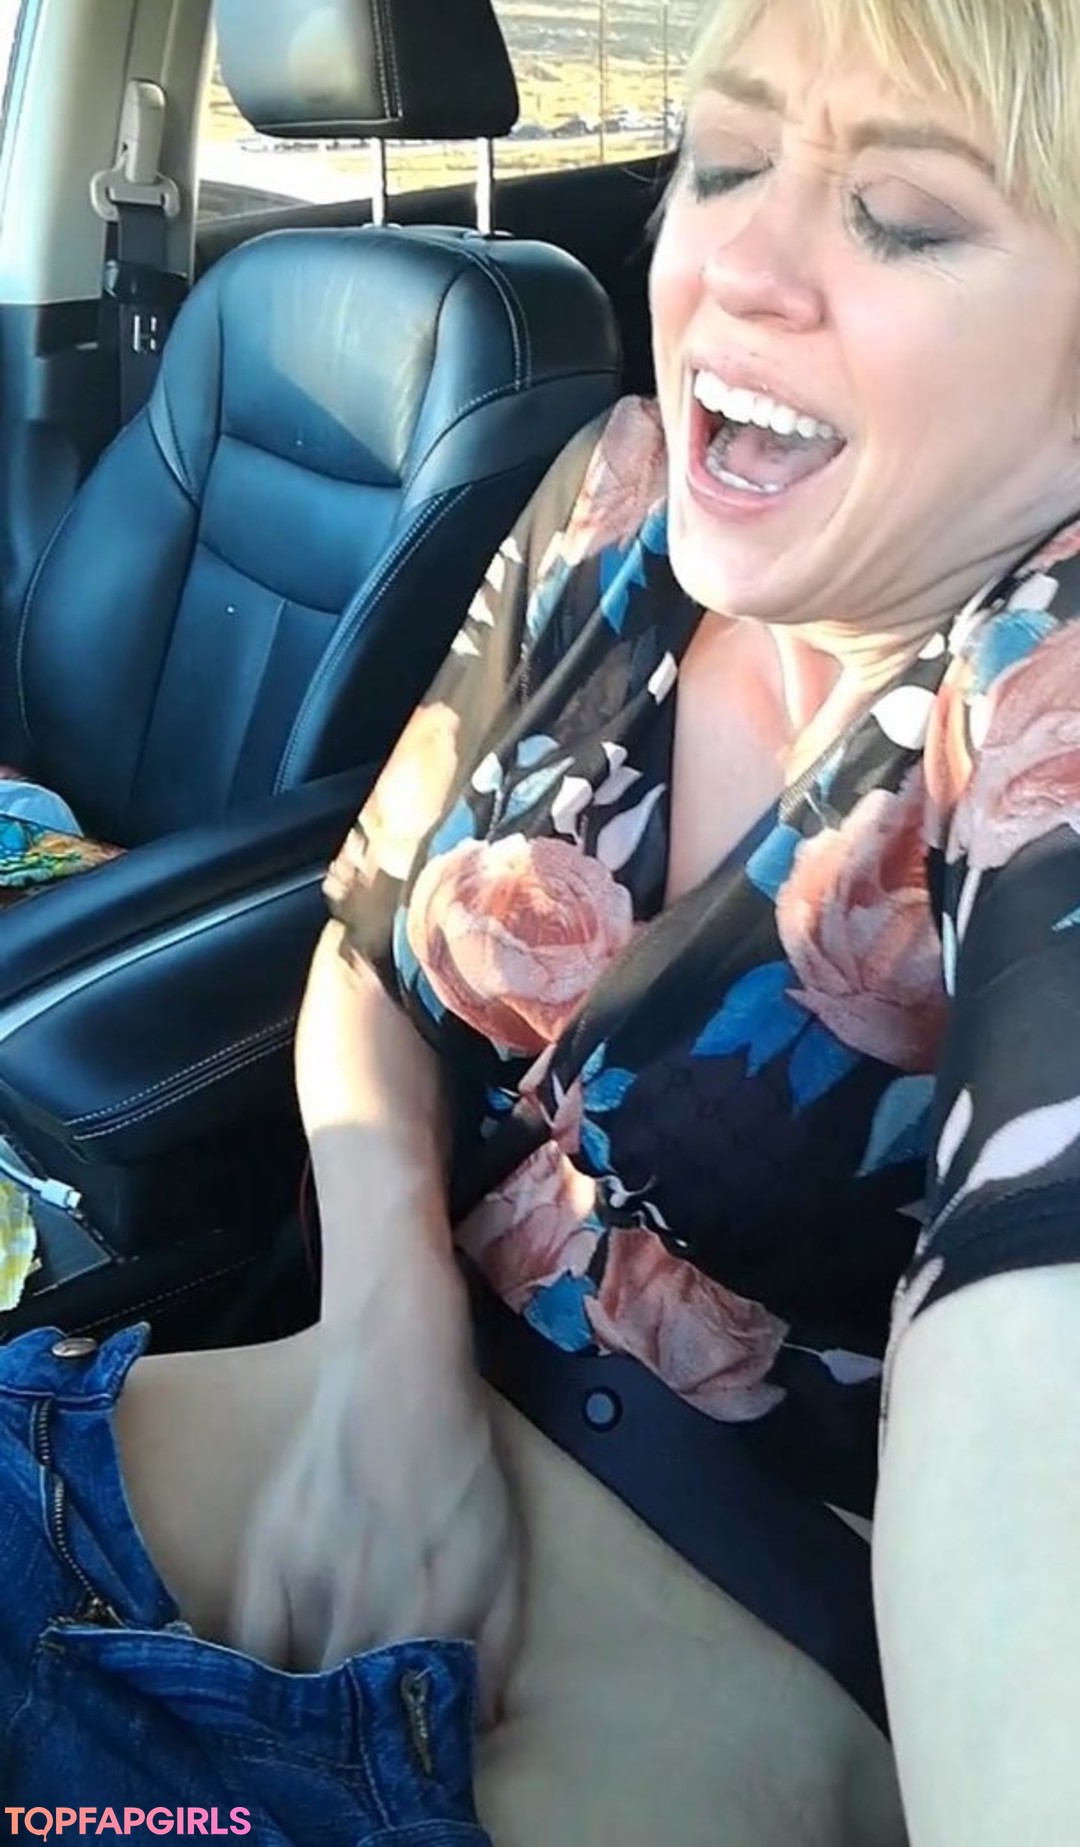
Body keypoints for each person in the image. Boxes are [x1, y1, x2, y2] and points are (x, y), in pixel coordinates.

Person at [4, 0, 1080, 1837]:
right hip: (271, 1446)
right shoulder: (617, 494)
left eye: (901, 218)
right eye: (725, 165)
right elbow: (362, 939)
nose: (741, 264)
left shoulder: (1038, 705)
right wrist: (389, 1347)